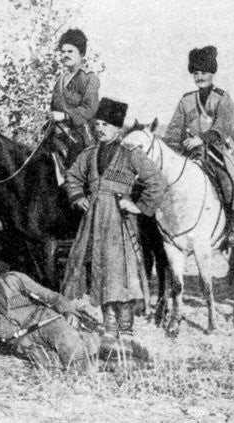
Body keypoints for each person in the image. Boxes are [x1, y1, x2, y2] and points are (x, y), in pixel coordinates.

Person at [60, 98, 165, 360]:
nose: (100, 129)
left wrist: (138, 206)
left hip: (120, 224)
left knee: (123, 274)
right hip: (94, 223)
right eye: (97, 124)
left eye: (106, 124)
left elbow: (157, 183)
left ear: (118, 128)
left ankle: (126, 331)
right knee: (101, 273)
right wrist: (77, 197)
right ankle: (108, 329)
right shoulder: (88, 154)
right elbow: (71, 177)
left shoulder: (132, 155)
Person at [0, 241, 102, 370]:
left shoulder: (13, 280)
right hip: (26, 345)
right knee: (53, 365)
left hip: (47, 322)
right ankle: (92, 349)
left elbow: (51, 297)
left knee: (71, 347)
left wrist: (69, 311)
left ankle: (94, 351)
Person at [163, 46, 234, 247]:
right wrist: (169, 149)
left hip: (217, 149)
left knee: (229, 181)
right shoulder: (186, 100)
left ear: (212, 73)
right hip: (189, 151)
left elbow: (223, 125)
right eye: (196, 73)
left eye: (204, 72)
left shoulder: (222, 97)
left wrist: (202, 139)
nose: (200, 77)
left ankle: (232, 226)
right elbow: (174, 129)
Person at [49, 28, 100, 175]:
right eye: (63, 51)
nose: (65, 55)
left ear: (81, 53)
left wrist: (65, 116)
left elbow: (90, 109)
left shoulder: (89, 78)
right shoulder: (60, 80)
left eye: (70, 51)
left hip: (80, 135)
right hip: (57, 133)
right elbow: (54, 106)